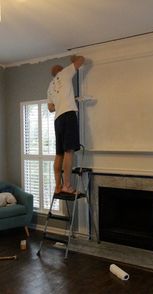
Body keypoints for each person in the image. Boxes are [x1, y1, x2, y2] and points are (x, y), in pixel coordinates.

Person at [47, 55, 85, 195]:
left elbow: (50, 108)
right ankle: (67, 186)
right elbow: (81, 60)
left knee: (59, 154)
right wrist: (74, 58)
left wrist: (61, 103)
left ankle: (58, 186)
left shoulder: (50, 86)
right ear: (61, 70)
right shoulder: (65, 73)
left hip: (58, 120)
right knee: (69, 151)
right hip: (68, 115)